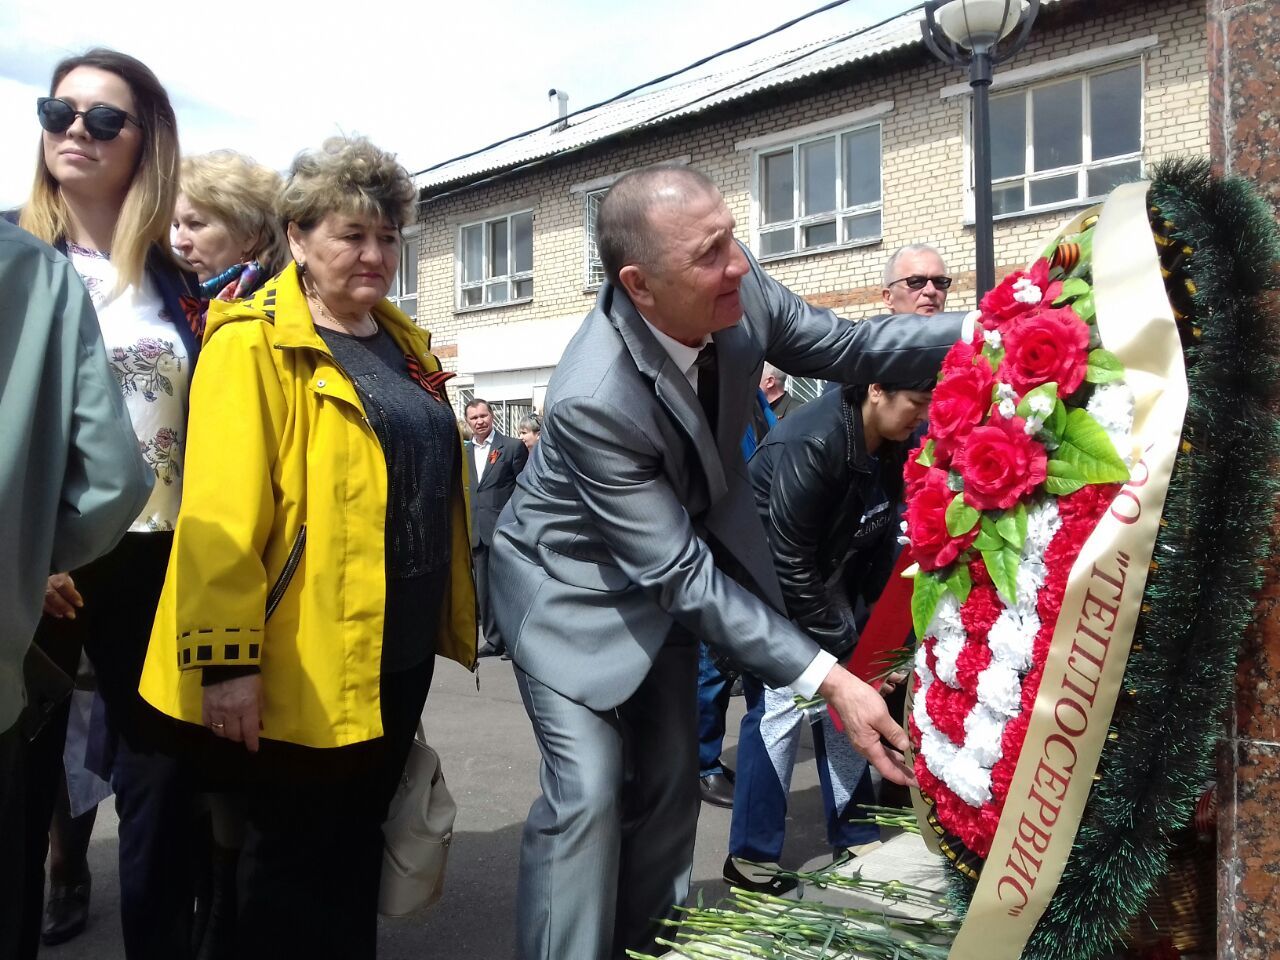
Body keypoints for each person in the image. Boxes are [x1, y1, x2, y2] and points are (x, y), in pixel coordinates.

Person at [487, 164, 966, 960]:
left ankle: (645, 949)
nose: (739, 263)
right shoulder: (591, 395)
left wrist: (999, 331)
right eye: (711, 253)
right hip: (571, 590)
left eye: (732, 236)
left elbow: (849, 344)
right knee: (590, 798)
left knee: (674, 797)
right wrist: (830, 679)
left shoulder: (736, 292)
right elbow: (679, 573)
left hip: (671, 572)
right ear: (640, 285)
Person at [138, 135, 476, 960]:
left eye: (389, 236)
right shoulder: (251, 343)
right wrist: (226, 663)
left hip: (389, 655)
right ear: (296, 237)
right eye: (351, 234)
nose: (375, 254)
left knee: (353, 850)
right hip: (297, 657)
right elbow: (217, 516)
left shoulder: (405, 344)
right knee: (286, 869)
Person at [14, 48, 203, 960]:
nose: (74, 132)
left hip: (157, 555)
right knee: (21, 781)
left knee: (159, 784)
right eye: (60, 113)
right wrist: (30, 549)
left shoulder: (180, 288)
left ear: (146, 142)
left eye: (102, 119)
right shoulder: (14, 262)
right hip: (35, 560)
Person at [0, 218, 153, 958]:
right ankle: (64, 873)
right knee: (55, 749)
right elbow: (107, 473)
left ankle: (73, 875)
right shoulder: (38, 269)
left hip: (129, 572)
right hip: (45, 581)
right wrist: (34, 557)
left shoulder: (179, 292)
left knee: (90, 740)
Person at [724, 376, 934, 892]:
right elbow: (789, 561)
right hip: (771, 592)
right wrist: (838, 649)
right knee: (779, 716)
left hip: (832, 583)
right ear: (878, 389)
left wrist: (874, 642)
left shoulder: (894, 443)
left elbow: (882, 541)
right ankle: (751, 858)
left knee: (846, 713)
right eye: (915, 402)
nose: (920, 417)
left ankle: (855, 834)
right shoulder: (813, 441)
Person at [173, 150, 287, 299]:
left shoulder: (282, 307)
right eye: (176, 226)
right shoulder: (173, 305)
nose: (179, 242)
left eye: (195, 224)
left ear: (249, 235)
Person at [465, 398, 528, 657]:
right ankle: (493, 641)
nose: (479, 421)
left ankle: (515, 642)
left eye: (483, 416)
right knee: (485, 592)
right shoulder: (464, 451)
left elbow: (524, 488)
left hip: (505, 530)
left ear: (492, 416)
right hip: (477, 531)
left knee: (509, 589)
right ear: (468, 422)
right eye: (474, 418)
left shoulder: (512, 447)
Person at [881, 243, 951, 316]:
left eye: (939, 282)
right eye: (916, 282)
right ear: (888, 297)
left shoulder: (961, 326)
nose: (931, 291)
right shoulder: (871, 326)